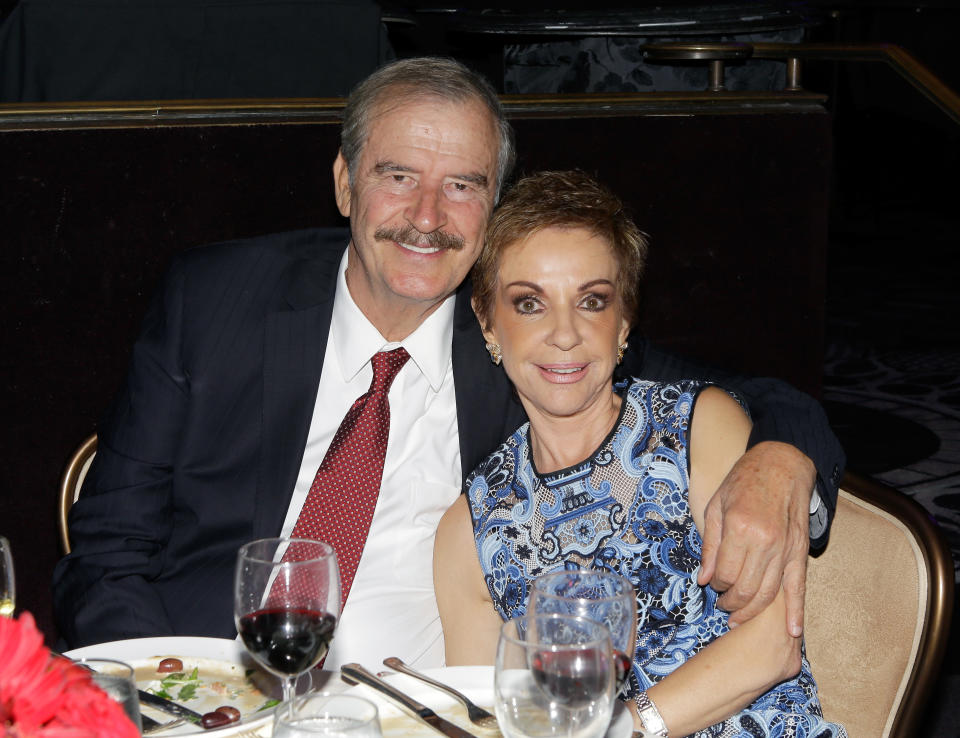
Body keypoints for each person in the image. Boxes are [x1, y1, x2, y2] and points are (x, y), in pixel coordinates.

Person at [52, 57, 843, 668]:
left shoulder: (522, 343)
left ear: (493, 207)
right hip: (219, 685)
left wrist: (779, 461)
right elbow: (109, 553)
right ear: (344, 183)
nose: (426, 218)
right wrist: (165, 692)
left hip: (420, 708)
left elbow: (764, 397)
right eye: (398, 177)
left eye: (462, 185)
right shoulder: (214, 301)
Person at [434, 170, 846, 737]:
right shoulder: (471, 527)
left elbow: (773, 644)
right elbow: (486, 717)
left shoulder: (693, 428)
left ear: (624, 321)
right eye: (529, 303)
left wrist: (624, 729)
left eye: (592, 301)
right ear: (487, 322)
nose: (564, 333)